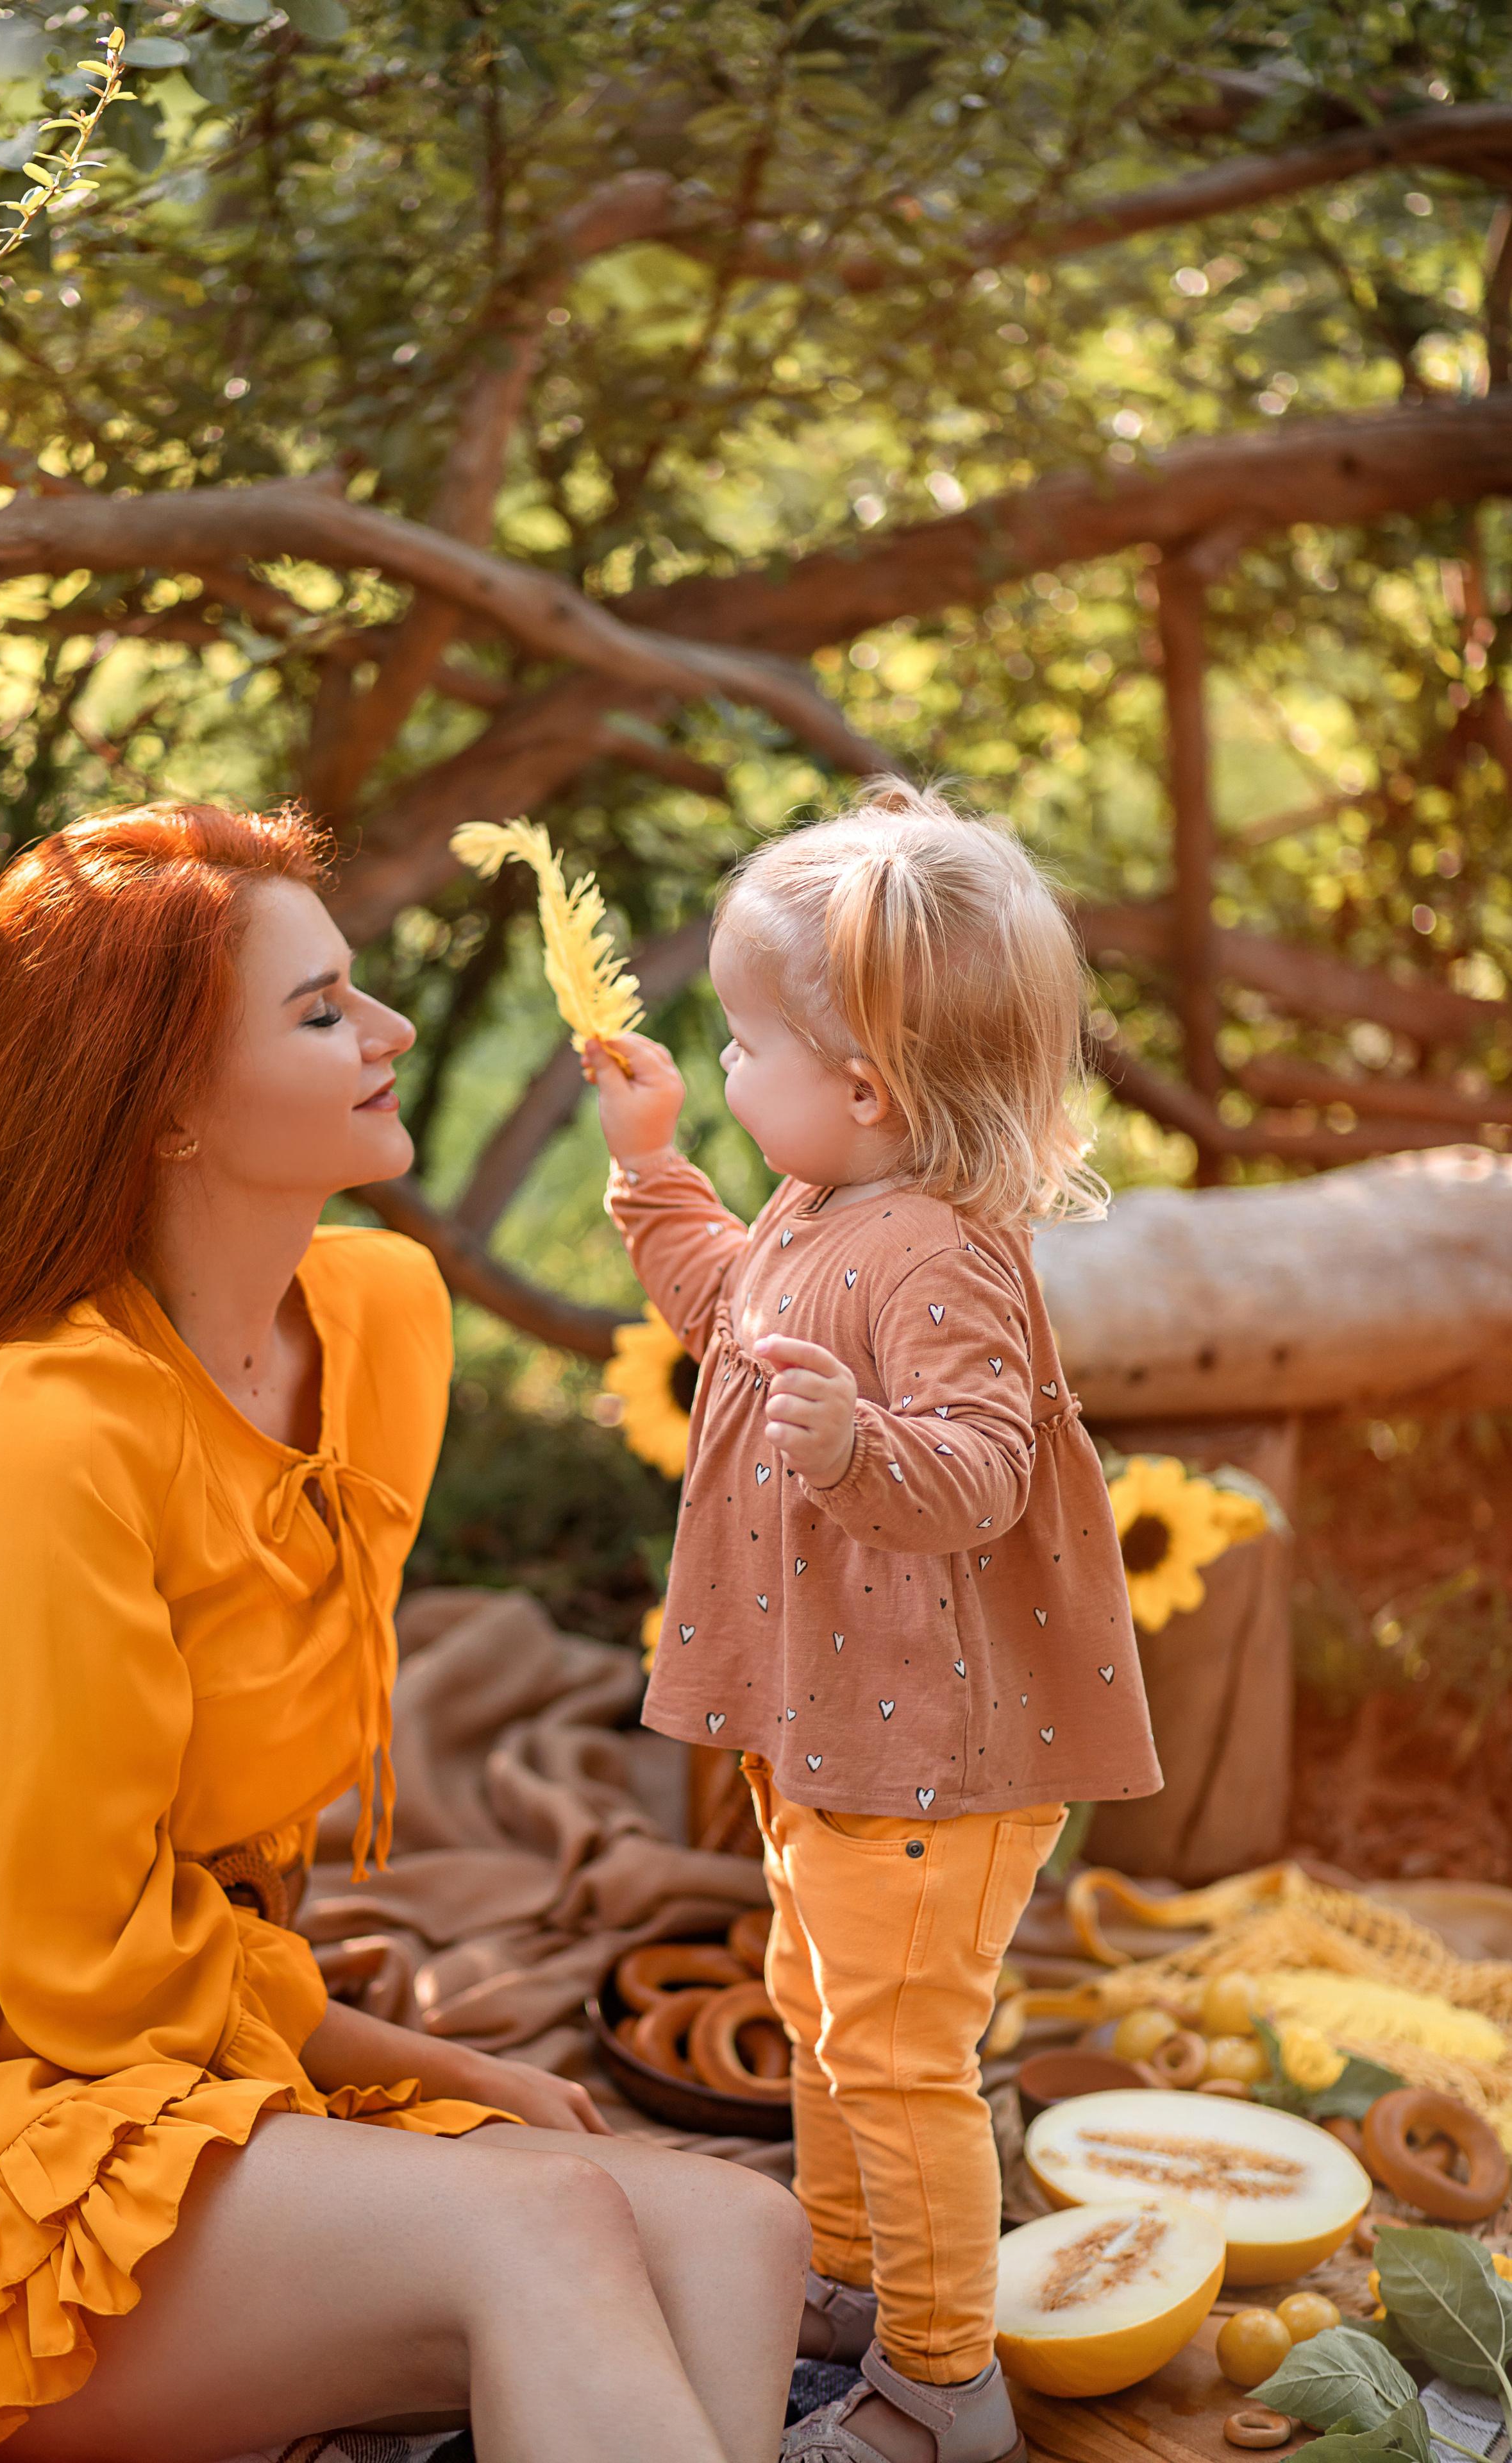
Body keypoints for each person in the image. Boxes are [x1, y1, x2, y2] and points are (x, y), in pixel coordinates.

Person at [0, 802, 807, 2463]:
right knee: (542, 2221)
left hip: (204, 2034)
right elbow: (88, 1980)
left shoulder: (381, 1316)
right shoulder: (47, 1434)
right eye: (318, 1014)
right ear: (160, 1103)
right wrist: (431, 2063)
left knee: (747, 2235)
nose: (384, 1035)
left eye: (355, 991)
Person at [587, 782, 1161, 2463]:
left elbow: (978, 1478)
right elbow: (727, 1312)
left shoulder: (941, 1263)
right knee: (830, 2009)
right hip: (839, 1723)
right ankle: (857, 2277)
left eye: (745, 1045)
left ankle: (941, 2380)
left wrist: (859, 1444)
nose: (731, 1065)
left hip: (938, 1754)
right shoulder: (821, 1210)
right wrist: (654, 1171)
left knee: (903, 2056)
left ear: (866, 1087)